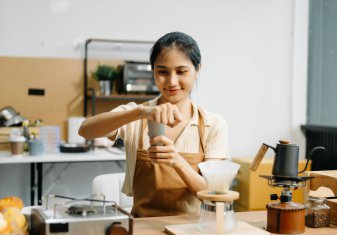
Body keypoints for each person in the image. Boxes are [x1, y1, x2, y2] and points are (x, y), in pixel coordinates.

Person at [79, 31, 229, 217]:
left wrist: (177, 161)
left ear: (197, 70)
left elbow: (213, 195)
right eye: (163, 72)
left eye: (181, 71)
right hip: (142, 228)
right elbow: (85, 131)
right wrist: (140, 112)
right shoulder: (137, 115)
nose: (172, 82)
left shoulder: (212, 124)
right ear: (153, 72)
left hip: (193, 230)